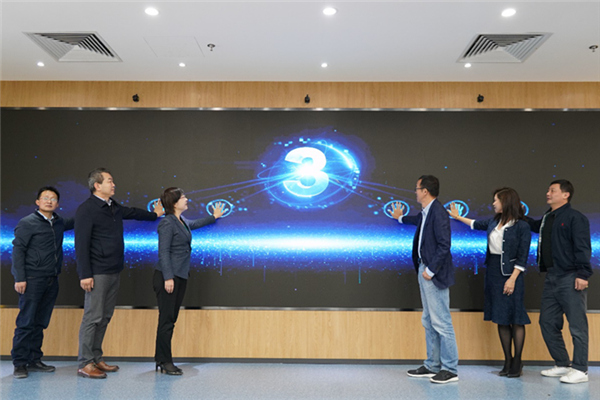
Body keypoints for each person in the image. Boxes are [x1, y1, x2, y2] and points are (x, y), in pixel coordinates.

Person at [75, 168, 164, 379]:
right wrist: (84, 274)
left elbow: (132, 212)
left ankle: (96, 358)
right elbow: (81, 244)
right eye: (109, 181)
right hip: (97, 272)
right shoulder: (87, 209)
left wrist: (154, 215)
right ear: (97, 185)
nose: (113, 184)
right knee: (93, 317)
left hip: (114, 269)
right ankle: (85, 363)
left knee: (105, 317)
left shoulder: (112, 206)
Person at [448, 188, 531, 378]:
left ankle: (517, 361)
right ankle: (507, 360)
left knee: (516, 317)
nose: (493, 203)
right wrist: (458, 217)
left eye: (496, 200)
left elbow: (523, 256)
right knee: (501, 317)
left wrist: (512, 279)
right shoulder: (494, 221)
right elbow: (475, 224)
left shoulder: (522, 226)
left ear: (506, 202)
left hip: (512, 275)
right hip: (493, 272)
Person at [390, 175, 459, 384]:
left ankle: (450, 369)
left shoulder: (438, 212)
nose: (415, 192)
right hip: (424, 270)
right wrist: (400, 218)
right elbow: (417, 221)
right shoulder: (427, 212)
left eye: (417, 189)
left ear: (425, 191)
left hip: (432, 273)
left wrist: (431, 269)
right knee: (429, 320)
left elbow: (444, 245)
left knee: (441, 322)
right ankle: (432, 365)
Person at [526, 179, 592, 384]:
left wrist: (583, 274)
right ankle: (562, 363)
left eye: (552, 190)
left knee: (577, 326)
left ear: (566, 195)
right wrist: (517, 213)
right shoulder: (548, 217)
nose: (548, 193)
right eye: (548, 190)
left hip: (571, 277)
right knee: (547, 322)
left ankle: (580, 369)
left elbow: (582, 246)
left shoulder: (575, 218)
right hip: (551, 277)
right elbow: (537, 227)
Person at [154, 188, 225, 375]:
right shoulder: (167, 223)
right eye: (183, 197)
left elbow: (194, 224)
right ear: (174, 203)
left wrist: (213, 217)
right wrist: (168, 277)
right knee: (167, 321)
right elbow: (163, 252)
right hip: (169, 277)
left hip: (180, 275)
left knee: (170, 319)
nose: (186, 199)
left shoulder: (181, 220)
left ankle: (161, 359)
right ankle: (165, 361)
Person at [10, 187, 74, 379]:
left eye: (53, 199)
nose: (49, 201)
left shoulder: (59, 222)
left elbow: (81, 219)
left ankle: (34, 360)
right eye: (45, 198)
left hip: (52, 279)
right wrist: (19, 277)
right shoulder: (27, 222)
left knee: (40, 322)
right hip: (32, 279)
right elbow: (18, 251)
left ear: (58, 204)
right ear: (37, 202)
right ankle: (20, 363)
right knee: (26, 322)